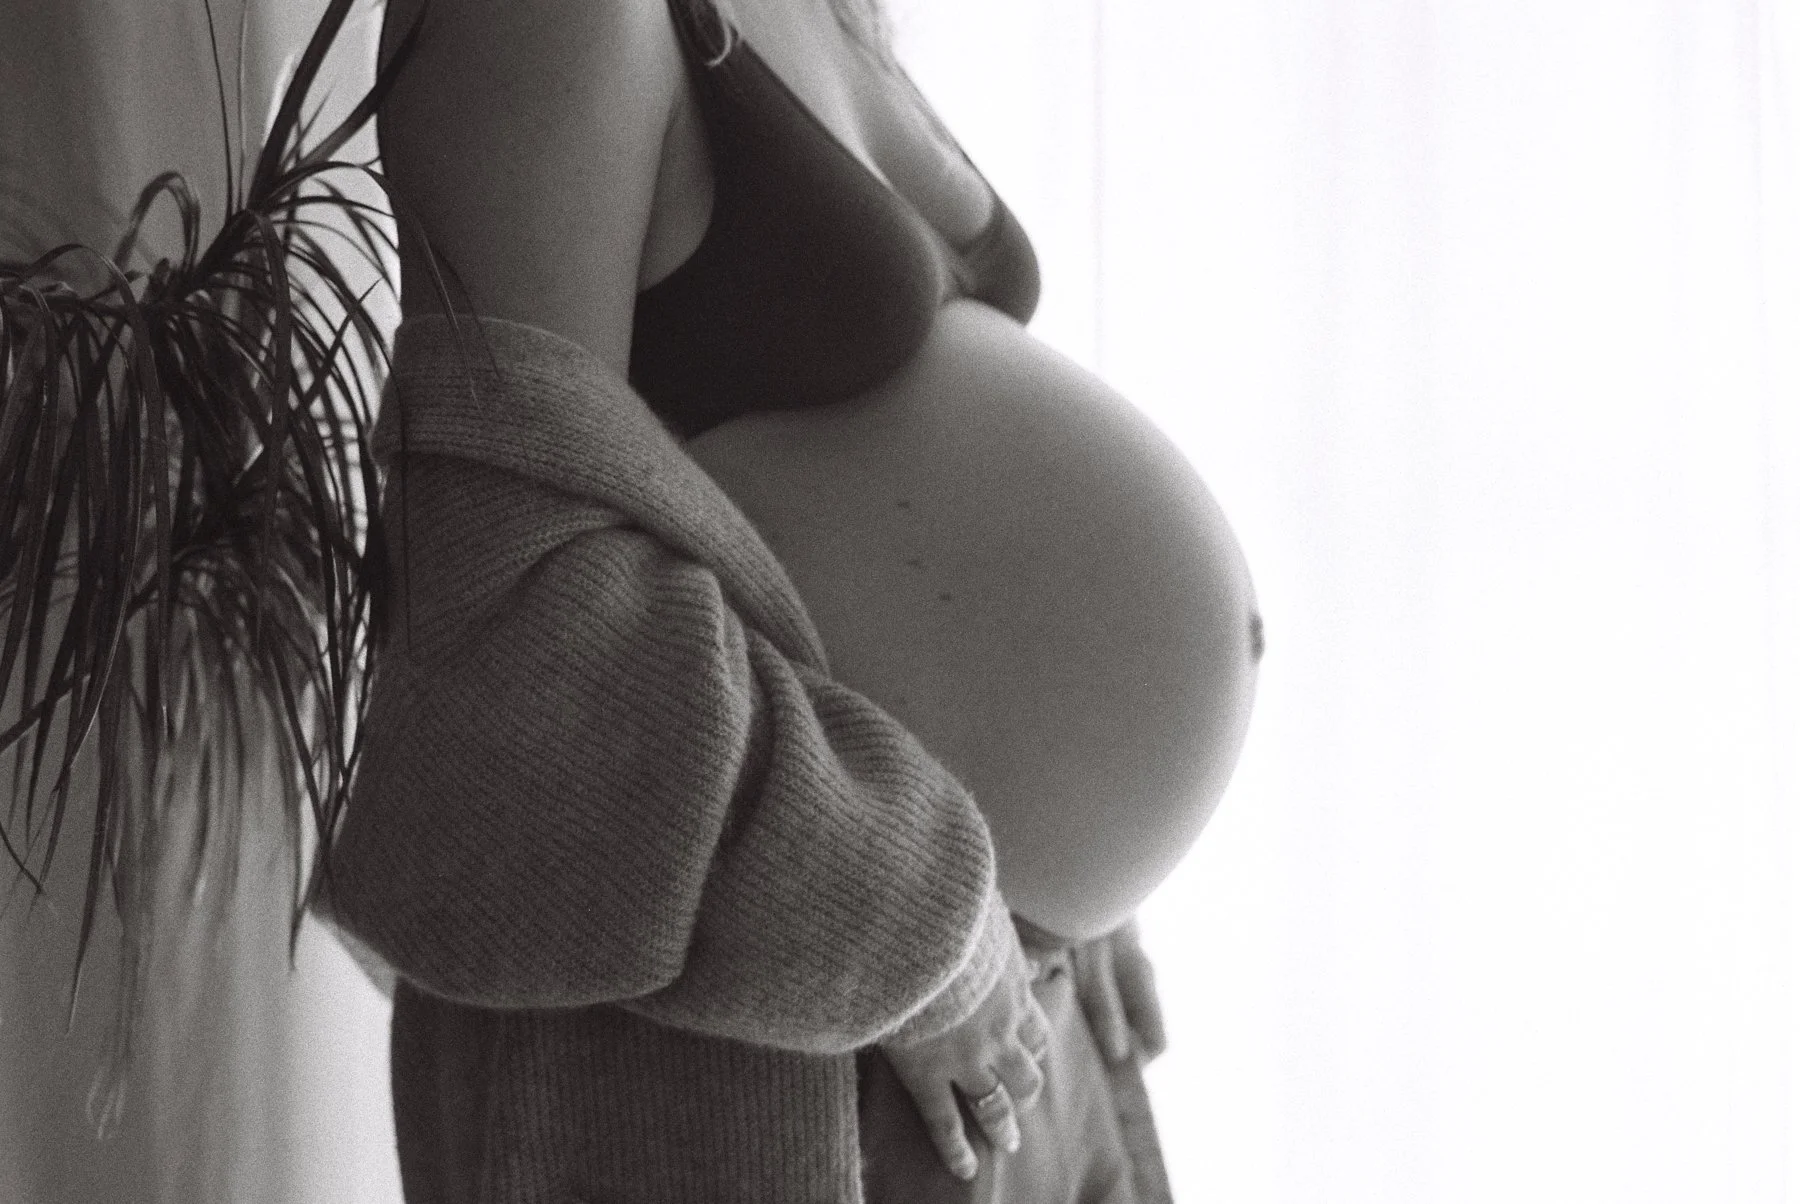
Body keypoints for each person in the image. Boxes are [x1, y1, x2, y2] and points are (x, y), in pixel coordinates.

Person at [319, 0, 1241, 1198]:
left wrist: (1081, 874)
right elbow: (492, 659)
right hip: (818, 1047)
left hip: (1006, 1025)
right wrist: (918, 921)